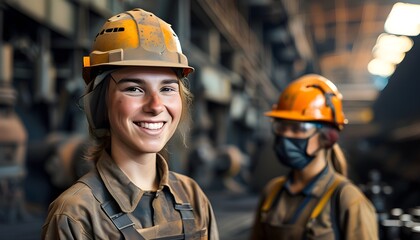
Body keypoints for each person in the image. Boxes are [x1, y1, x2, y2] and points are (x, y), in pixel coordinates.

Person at [42, 8, 219, 240]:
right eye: (134, 89)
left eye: (167, 89)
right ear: (100, 102)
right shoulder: (75, 215)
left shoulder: (192, 196)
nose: (155, 106)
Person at [250, 74, 378, 239]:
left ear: (327, 137)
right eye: (281, 127)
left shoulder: (347, 200)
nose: (285, 136)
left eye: (298, 128)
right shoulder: (272, 193)